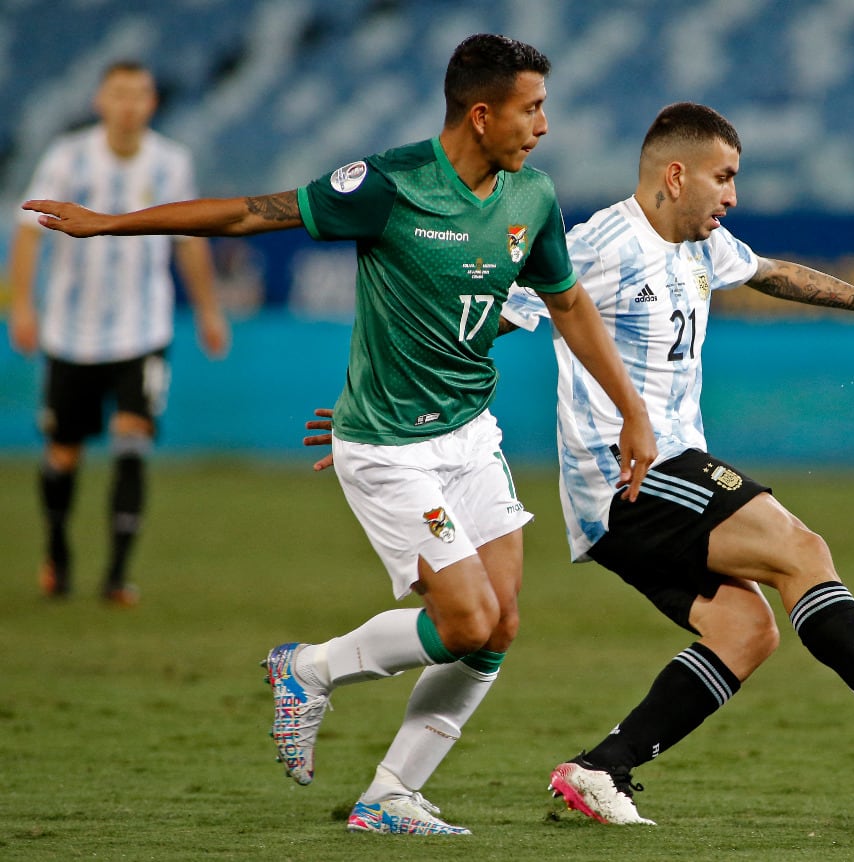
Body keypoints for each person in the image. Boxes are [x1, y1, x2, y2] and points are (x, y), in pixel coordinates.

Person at [23, 34, 656, 837]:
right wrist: (112, 225)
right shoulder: (388, 184)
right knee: (462, 623)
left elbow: (568, 305)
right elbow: (253, 212)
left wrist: (632, 410)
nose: (543, 125)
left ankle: (388, 795)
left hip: (469, 434)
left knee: (500, 626)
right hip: (389, 446)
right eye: (532, 109)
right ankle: (308, 668)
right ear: (482, 112)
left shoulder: (531, 199)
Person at [499, 102, 854, 825]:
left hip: (661, 476)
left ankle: (599, 770)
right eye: (724, 177)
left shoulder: (698, 244)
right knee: (799, 548)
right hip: (624, 479)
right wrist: (391, 406)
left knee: (747, 630)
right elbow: (498, 311)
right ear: (675, 175)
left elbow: (771, 273)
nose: (732, 195)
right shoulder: (600, 244)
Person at [7, 60, 229, 607]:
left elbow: (190, 237)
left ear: (151, 104)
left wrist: (208, 309)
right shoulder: (67, 157)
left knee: (132, 442)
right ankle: (58, 550)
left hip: (141, 330)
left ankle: (116, 576)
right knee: (63, 454)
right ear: (101, 101)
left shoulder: (170, 161)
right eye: (119, 94)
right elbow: (29, 233)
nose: (129, 104)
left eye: (140, 94)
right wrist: (22, 307)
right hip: (69, 332)